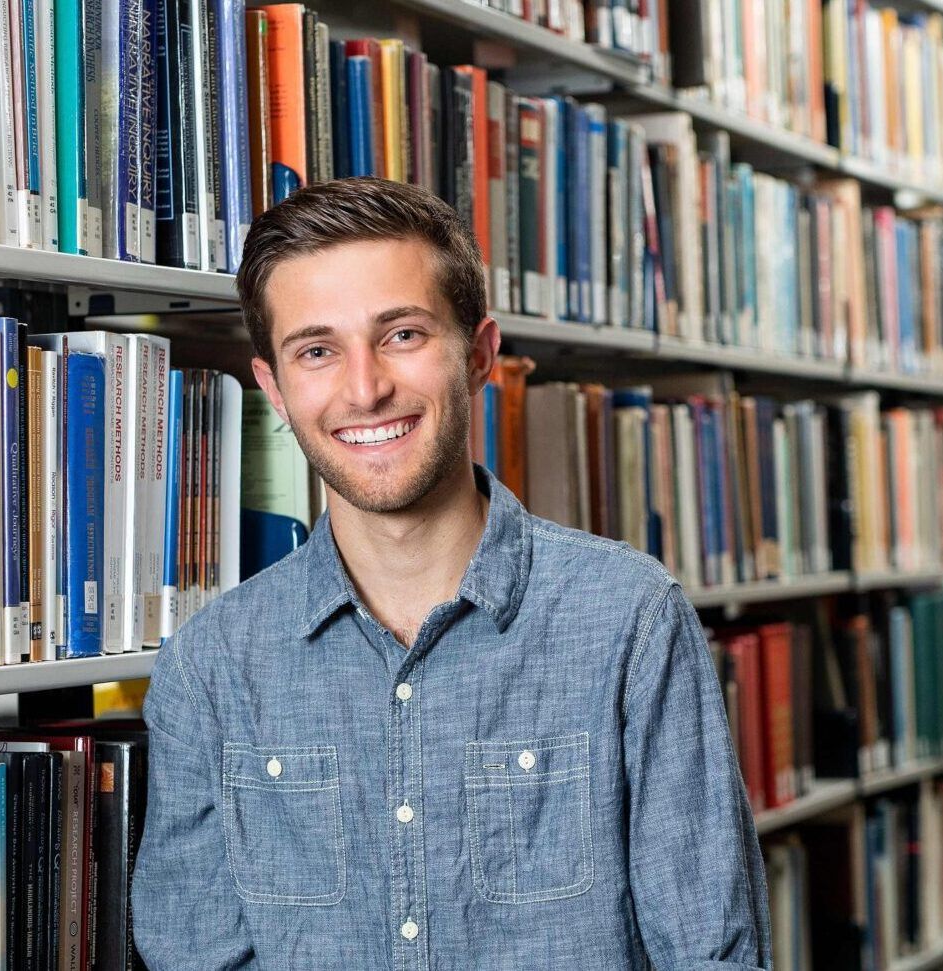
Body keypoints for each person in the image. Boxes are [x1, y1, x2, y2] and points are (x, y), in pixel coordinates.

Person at [131, 177, 771, 970]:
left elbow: (711, 953)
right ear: (274, 387)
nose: (364, 389)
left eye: (400, 334)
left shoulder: (628, 618)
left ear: (478, 354)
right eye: (318, 350)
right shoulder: (210, 666)